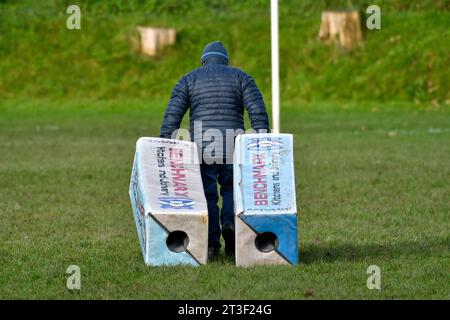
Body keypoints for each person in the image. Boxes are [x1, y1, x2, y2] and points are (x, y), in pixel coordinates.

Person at [160, 41, 269, 259]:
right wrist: (261, 138)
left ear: (203, 61)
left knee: (207, 195)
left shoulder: (189, 79)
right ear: (226, 61)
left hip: (202, 148)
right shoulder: (241, 77)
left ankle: (211, 244)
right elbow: (257, 109)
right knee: (231, 189)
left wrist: (166, 141)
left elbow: (173, 114)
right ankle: (230, 226)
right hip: (233, 145)